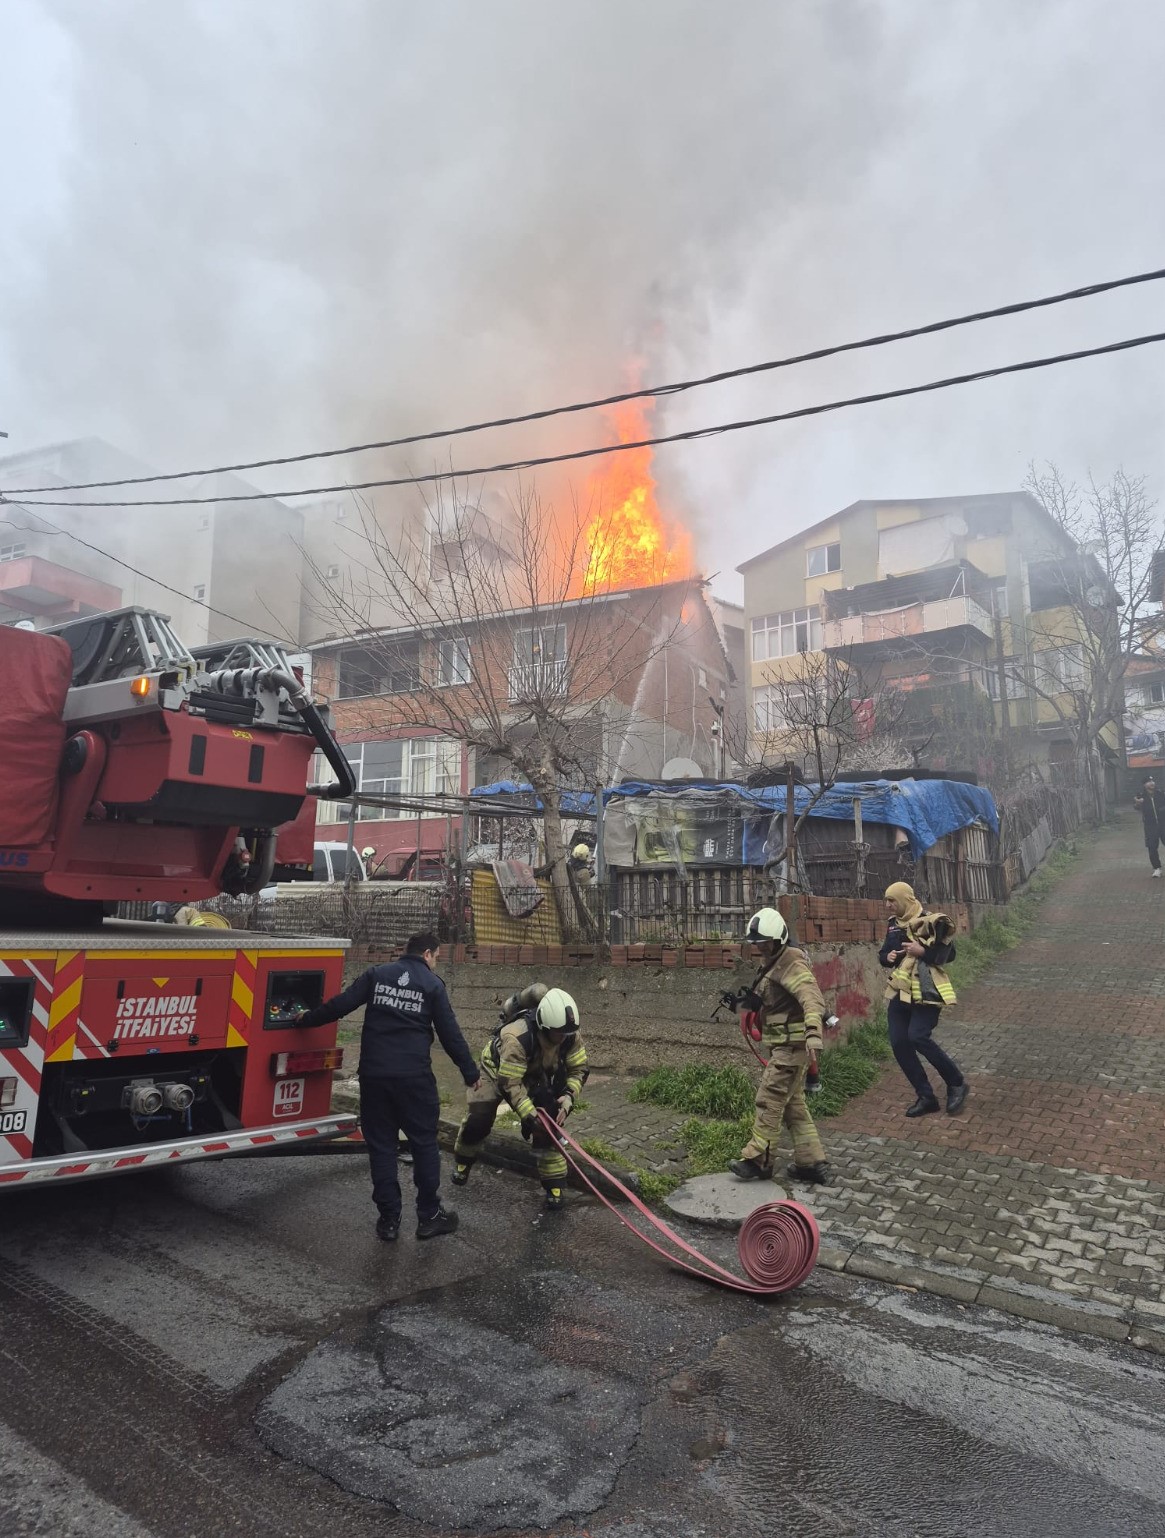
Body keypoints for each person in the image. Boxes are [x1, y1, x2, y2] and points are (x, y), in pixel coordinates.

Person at [295, 930, 479, 1241]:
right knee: (424, 1144)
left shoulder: (377, 975)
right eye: (436, 957)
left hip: (375, 1076)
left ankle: (389, 1220)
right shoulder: (432, 985)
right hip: (414, 1080)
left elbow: (340, 1005)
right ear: (427, 954)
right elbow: (450, 1034)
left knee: (382, 1146)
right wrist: (470, 1072)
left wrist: (307, 1019)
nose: (435, 962)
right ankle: (429, 1216)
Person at [452, 984, 587, 1210]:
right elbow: (510, 1083)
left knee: (548, 1122)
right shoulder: (517, 1037)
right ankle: (463, 1162)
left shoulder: (568, 1034)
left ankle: (554, 1184)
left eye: (566, 1033)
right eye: (558, 1033)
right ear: (544, 1026)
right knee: (479, 1118)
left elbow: (579, 1069)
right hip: (496, 1071)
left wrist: (569, 1097)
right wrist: (528, 1114)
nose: (562, 1038)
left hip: (533, 1075)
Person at [728, 908, 831, 1187]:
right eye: (757, 943)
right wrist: (744, 1006)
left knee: (769, 1098)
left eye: (766, 943)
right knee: (794, 1107)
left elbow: (812, 999)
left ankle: (758, 1161)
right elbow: (775, 1003)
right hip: (783, 1048)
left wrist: (814, 1035)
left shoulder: (791, 964)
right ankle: (812, 1163)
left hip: (791, 1049)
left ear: (779, 939)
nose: (761, 948)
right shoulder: (773, 964)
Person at [880, 881, 967, 1118]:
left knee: (917, 1036)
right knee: (899, 1043)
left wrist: (923, 953)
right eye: (886, 900)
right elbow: (883, 954)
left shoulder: (931, 921)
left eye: (892, 900)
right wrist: (887, 957)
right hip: (901, 991)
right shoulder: (893, 925)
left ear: (905, 900)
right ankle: (926, 1097)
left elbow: (949, 954)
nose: (888, 905)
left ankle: (956, 1083)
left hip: (926, 991)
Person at [1133, 774, 1162, 877]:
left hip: (1163, 823)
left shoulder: (1160, 793)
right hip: (1150, 825)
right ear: (1144, 784)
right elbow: (1136, 807)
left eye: (1152, 781)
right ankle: (1157, 869)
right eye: (1149, 782)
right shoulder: (1140, 796)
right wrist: (1138, 803)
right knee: (1152, 847)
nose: (1152, 783)